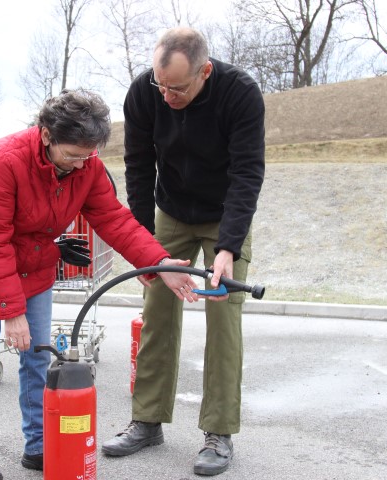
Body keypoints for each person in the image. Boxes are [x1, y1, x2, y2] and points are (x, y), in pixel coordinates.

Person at [0, 88, 200, 480]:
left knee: (37, 357)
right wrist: (11, 313)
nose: (81, 163)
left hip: (36, 268)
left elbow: (114, 220)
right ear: (46, 135)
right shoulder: (5, 159)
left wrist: (159, 262)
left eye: (89, 154)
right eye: (72, 154)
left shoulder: (87, 167)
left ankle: (38, 444)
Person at [100, 27, 265, 476]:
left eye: (177, 86)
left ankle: (218, 431)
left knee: (224, 315)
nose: (166, 94)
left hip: (223, 213)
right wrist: (143, 245)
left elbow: (248, 172)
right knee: (157, 311)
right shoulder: (144, 93)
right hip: (169, 211)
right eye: (161, 84)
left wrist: (228, 246)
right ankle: (147, 420)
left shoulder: (240, 94)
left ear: (204, 72)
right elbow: (138, 166)